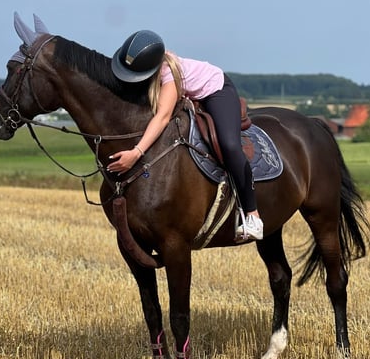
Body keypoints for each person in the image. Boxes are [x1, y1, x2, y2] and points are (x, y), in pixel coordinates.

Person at [106, 30, 264, 240]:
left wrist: (136, 153)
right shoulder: (144, 65)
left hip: (215, 90)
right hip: (189, 89)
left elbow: (162, 117)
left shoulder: (169, 74)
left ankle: (252, 214)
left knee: (229, 145)